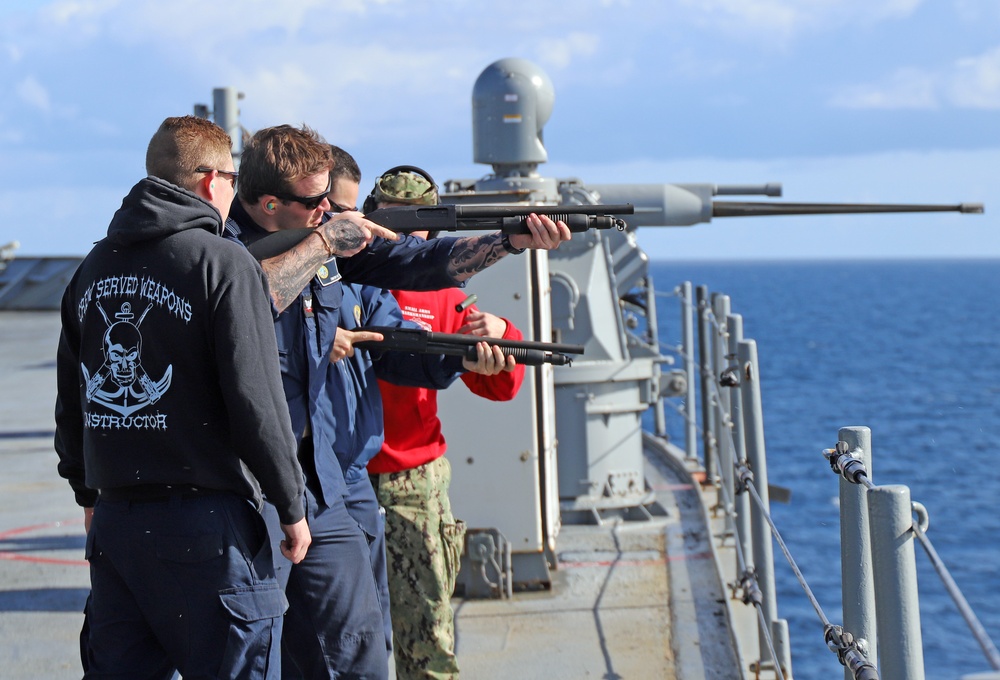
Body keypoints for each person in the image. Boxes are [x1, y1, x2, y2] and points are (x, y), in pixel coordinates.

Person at [225, 124, 570, 680]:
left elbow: (418, 270)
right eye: (319, 205)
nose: (331, 216)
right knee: (263, 653)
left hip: (331, 478)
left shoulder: (331, 252)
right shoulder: (227, 251)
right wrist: (322, 249)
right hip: (258, 485)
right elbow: (246, 296)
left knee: (362, 645)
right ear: (270, 203)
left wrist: (510, 241)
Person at [53, 115, 310, 679]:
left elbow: (72, 400)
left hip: (118, 527)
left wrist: (88, 494)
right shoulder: (222, 263)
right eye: (232, 179)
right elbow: (256, 400)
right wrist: (291, 505)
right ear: (207, 181)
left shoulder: (92, 269)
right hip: (207, 529)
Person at [364, 167, 526, 679]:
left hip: (412, 482)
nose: (410, 236)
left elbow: (501, 384)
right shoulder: (347, 275)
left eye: (419, 224)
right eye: (396, 222)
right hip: (340, 479)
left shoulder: (446, 292)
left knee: (427, 641)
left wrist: (502, 334)